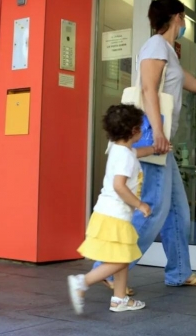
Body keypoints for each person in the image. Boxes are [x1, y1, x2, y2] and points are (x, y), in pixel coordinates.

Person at [94, 0, 196, 294]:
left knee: (178, 212)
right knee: (153, 209)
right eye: (184, 18)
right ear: (178, 16)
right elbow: (149, 88)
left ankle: (179, 272)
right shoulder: (155, 46)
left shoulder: (169, 54)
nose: (185, 23)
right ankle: (106, 268)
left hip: (162, 143)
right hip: (153, 139)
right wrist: (159, 132)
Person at [68, 104, 155, 314]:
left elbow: (136, 152)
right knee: (122, 258)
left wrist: (154, 149)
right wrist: (140, 204)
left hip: (108, 214)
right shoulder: (125, 156)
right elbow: (119, 185)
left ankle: (119, 299)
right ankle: (83, 281)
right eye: (140, 127)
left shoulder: (119, 149)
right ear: (134, 130)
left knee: (120, 258)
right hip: (115, 216)